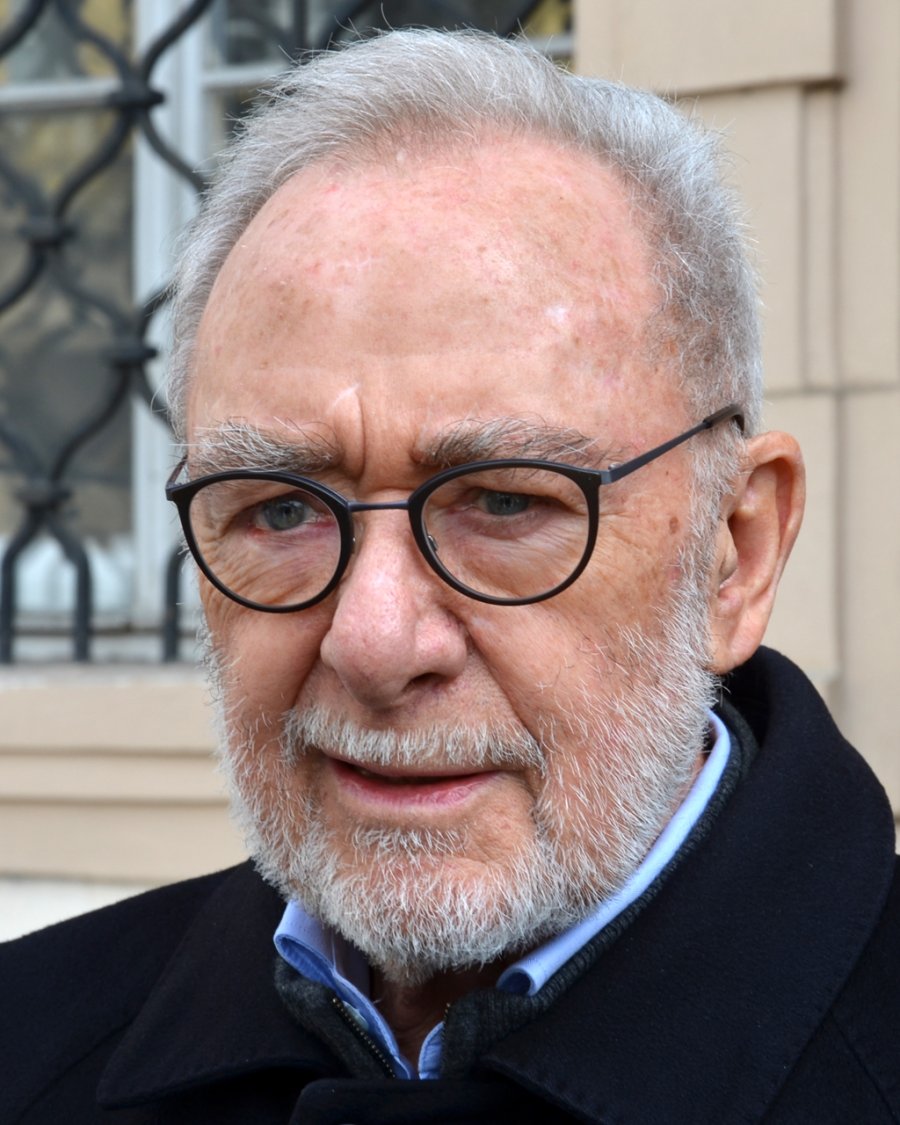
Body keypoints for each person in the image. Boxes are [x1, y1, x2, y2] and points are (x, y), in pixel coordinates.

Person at [2, 28, 898, 1125]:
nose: (375, 641)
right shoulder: (30, 1042)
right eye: (281, 509)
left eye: (506, 502)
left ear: (736, 553)